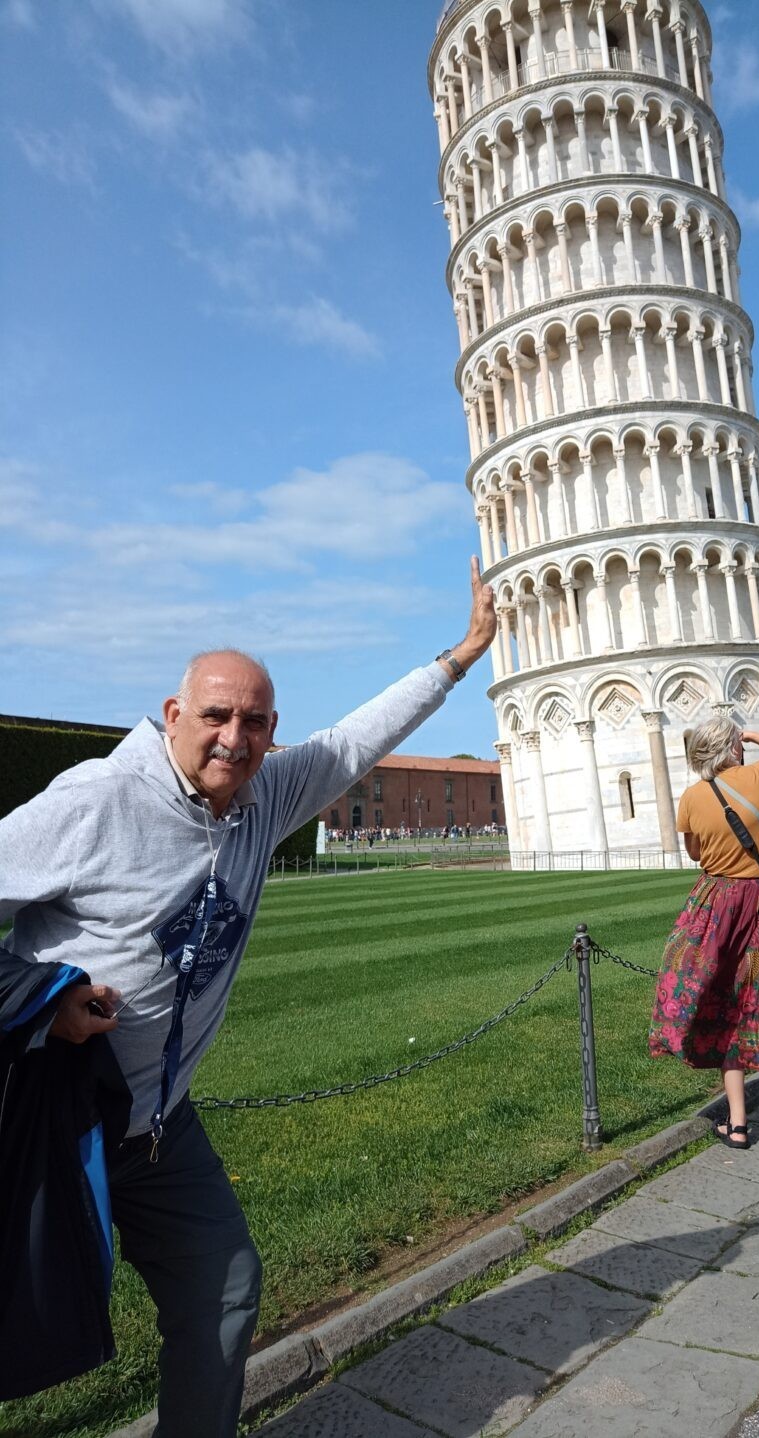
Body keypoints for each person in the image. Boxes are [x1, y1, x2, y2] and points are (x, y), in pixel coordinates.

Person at [0, 558, 496, 1437]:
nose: (235, 736)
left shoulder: (264, 797)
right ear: (173, 716)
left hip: (159, 1126)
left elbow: (351, 745)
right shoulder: (98, 801)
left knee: (224, 1286)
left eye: (256, 721)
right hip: (49, 1105)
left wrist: (457, 659)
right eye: (218, 715)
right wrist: (40, 1000)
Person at [649, 716, 759, 1151]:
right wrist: (756, 735)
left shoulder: (691, 797)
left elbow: (696, 853)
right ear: (734, 746)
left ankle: (738, 1124)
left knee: (727, 1005)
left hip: (716, 905)